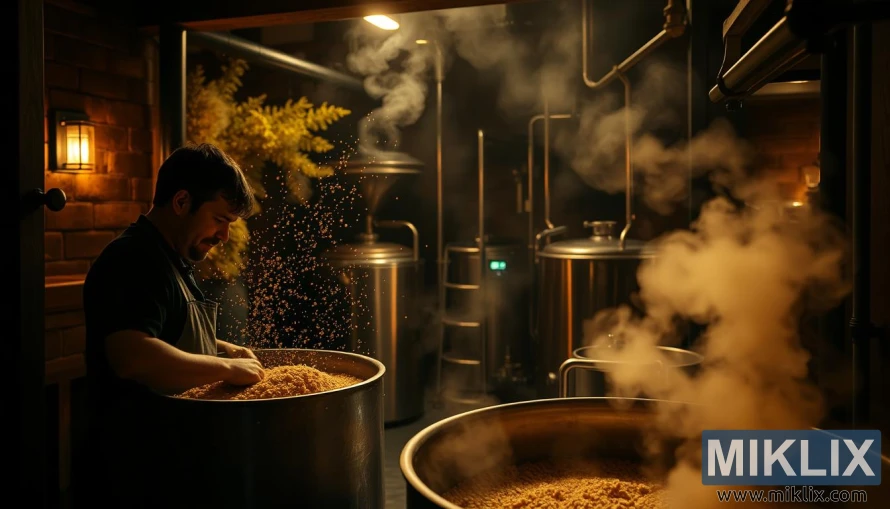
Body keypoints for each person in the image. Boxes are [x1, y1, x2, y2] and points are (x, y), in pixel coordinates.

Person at [76, 143, 266, 507]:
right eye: (220, 219)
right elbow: (133, 354)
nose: (224, 236)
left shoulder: (170, 259)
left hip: (173, 463)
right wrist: (226, 367)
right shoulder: (133, 259)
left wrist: (224, 347)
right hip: (134, 471)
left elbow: (170, 330)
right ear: (181, 202)